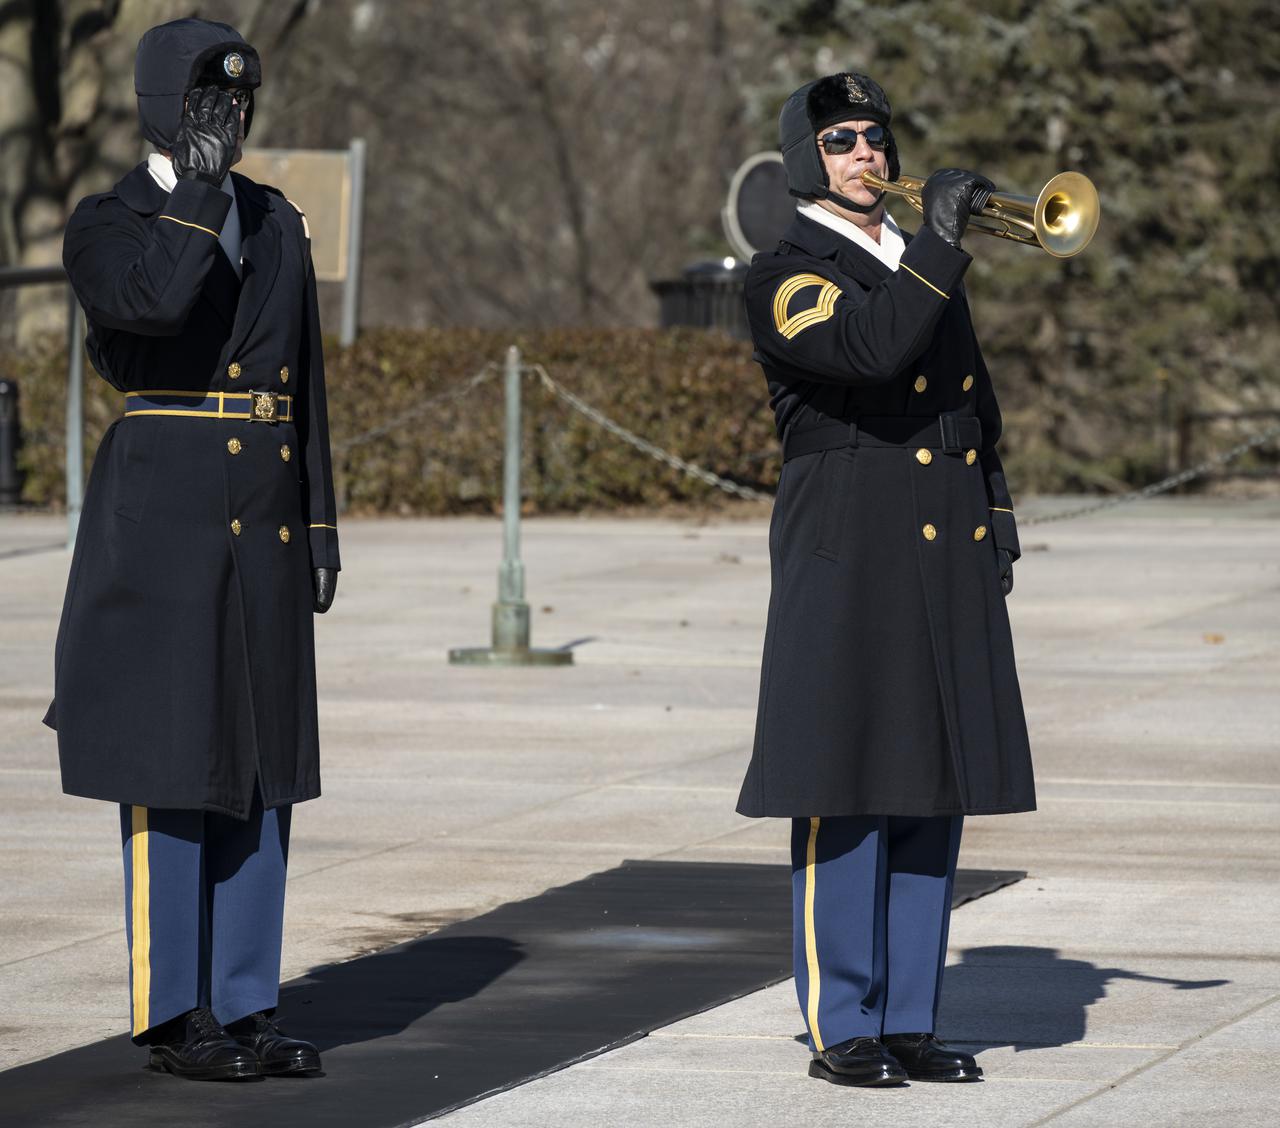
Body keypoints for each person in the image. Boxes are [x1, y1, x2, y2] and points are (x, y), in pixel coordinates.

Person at [44, 17, 339, 1080]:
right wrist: (198, 190)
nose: (234, 121)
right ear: (169, 107)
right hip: (161, 508)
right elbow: (152, 307)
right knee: (173, 765)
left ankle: (247, 1002)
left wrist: (318, 522)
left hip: (260, 507)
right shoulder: (108, 221)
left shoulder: (275, 217)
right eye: (215, 104)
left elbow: (299, 377)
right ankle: (176, 1014)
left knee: (260, 766)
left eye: (244, 103)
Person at [737, 72, 1036, 1087]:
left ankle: (910, 1017)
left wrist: (990, 508)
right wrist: (942, 251)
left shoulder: (917, 262)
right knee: (844, 784)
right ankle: (844, 1023)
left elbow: (967, 400)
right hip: (847, 544)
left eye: (873, 136)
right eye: (838, 142)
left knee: (928, 787)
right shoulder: (782, 270)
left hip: (938, 537)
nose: (864, 154)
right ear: (803, 162)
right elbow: (863, 352)